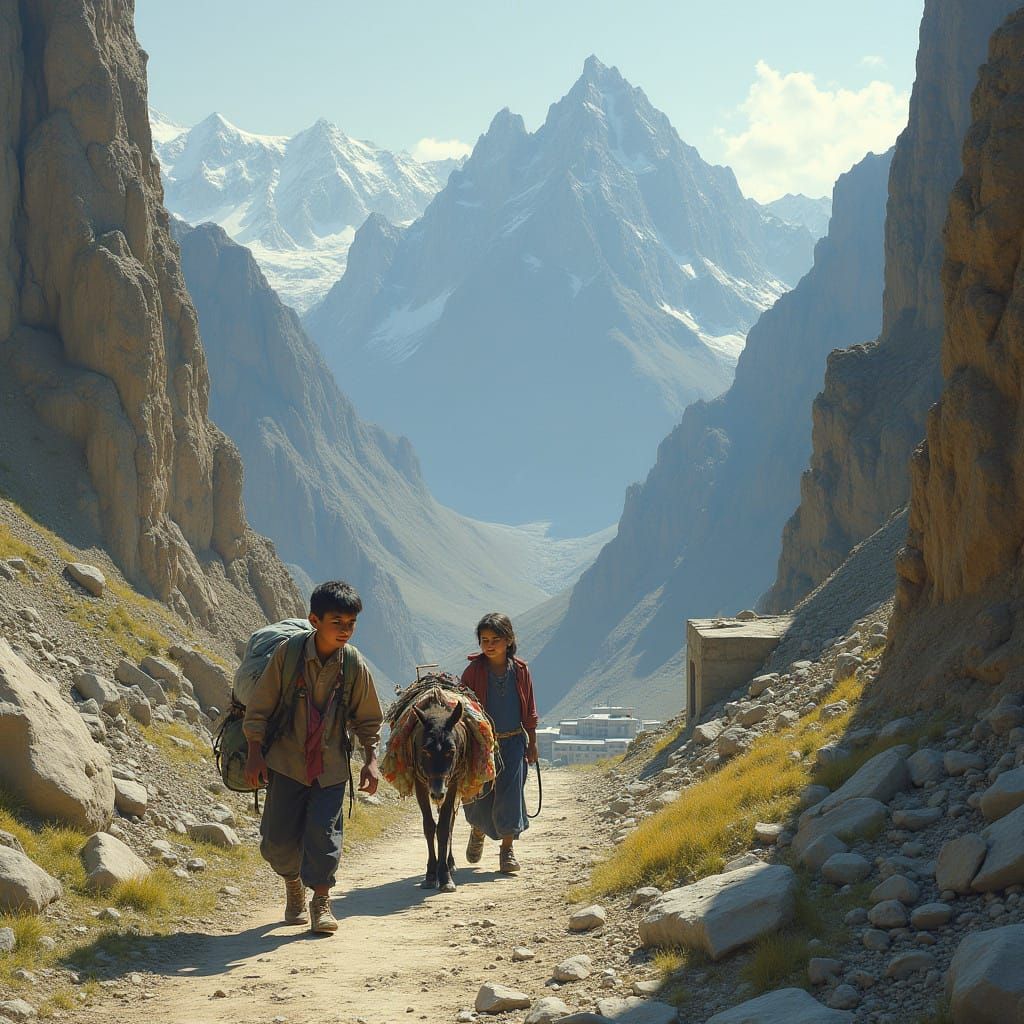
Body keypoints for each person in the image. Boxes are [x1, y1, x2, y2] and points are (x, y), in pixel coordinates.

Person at [243, 580, 383, 934]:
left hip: (331, 767)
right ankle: (293, 883)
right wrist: (255, 753)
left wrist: (370, 760)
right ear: (314, 620)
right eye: (337, 622)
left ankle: (321, 900)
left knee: (325, 835)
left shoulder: (352, 664)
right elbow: (259, 708)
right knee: (277, 841)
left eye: (351, 624)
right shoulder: (288, 655)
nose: (345, 631)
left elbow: (368, 718)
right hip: (286, 762)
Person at [460, 612, 538, 873]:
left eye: (495, 639)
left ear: (509, 640)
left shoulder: (521, 671)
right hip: (482, 744)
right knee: (480, 795)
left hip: (514, 742)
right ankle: (478, 830)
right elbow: (463, 711)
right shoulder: (472, 672)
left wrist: (532, 742)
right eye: (484, 639)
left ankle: (507, 851)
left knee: (510, 796)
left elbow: (529, 711)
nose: (489, 644)